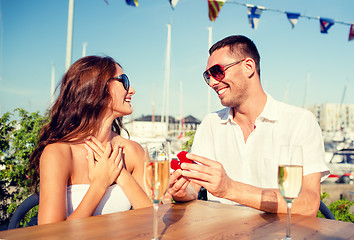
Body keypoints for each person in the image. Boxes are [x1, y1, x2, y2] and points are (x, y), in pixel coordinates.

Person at [168, 35, 329, 217]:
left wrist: (230, 189)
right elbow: (193, 187)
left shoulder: (300, 122)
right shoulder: (210, 124)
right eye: (208, 76)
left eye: (217, 71)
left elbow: (307, 204)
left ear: (248, 67)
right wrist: (182, 192)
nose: (212, 82)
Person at [28, 56, 151, 224]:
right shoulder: (59, 154)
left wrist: (121, 175)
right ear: (97, 88)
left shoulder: (132, 151)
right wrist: (100, 184)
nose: (132, 90)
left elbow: (153, 218)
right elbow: (50, 235)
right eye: (124, 81)